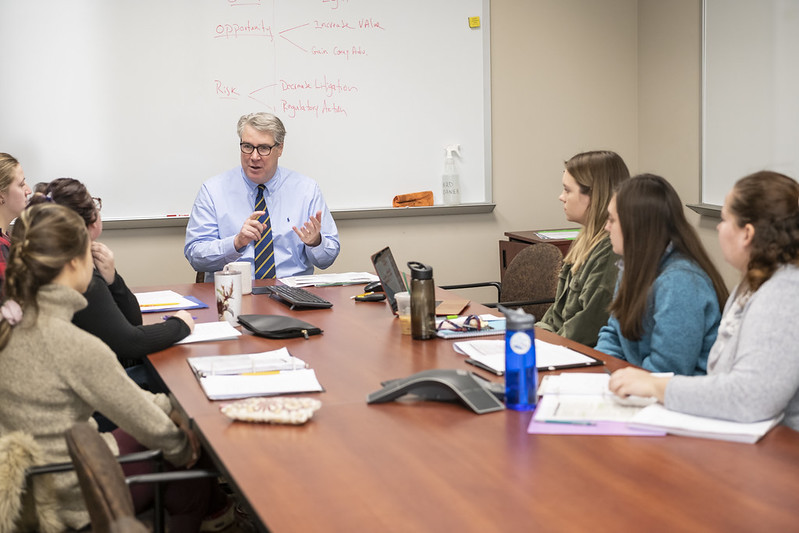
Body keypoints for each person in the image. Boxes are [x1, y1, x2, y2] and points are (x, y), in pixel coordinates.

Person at [0, 203, 229, 531]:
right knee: (191, 463)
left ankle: (217, 515)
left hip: (26, 487)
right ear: (74, 264)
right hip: (73, 496)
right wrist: (183, 445)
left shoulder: (12, 323)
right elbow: (152, 427)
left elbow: (124, 397)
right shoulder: (73, 344)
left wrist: (167, 407)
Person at [609, 172, 799, 430]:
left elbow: (749, 397)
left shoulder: (783, 295)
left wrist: (655, 385)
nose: (719, 227)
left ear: (747, 234)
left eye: (724, 220)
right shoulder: (753, 283)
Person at [28, 178, 193, 376]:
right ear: (88, 221)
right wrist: (179, 325)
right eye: (94, 204)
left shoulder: (51, 261)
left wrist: (113, 280)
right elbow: (130, 342)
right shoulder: (76, 276)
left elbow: (132, 321)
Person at [595, 174, 728, 375]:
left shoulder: (680, 282)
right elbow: (614, 333)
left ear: (636, 226)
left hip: (677, 397)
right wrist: (599, 372)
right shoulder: (633, 266)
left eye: (612, 220)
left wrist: (622, 382)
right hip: (642, 384)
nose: (606, 227)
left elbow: (669, 368)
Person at [185, 112, 340, 280]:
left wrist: (315, 242)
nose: (254, 156)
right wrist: (236, 243)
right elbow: (195, 256)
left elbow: (327, 258)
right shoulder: (213, 191)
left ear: (280, 148)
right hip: (234, 293)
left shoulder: (306, 190)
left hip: (292, 294)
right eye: (247, 147)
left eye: (264, 148)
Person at [535, 150, 630, 347]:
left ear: (593, 195)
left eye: (567, 190)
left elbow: (586, 330)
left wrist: (540, 341)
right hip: (558, 345)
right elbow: (556, 314)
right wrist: (535, 334)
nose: (561, 197)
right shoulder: (584, 240)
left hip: (575, 353)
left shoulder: (610, 250)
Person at [0, 153, 32, 294]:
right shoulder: (1, 248)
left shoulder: (8, 238)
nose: (28, 190)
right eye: (21, 185)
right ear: (1, 196)